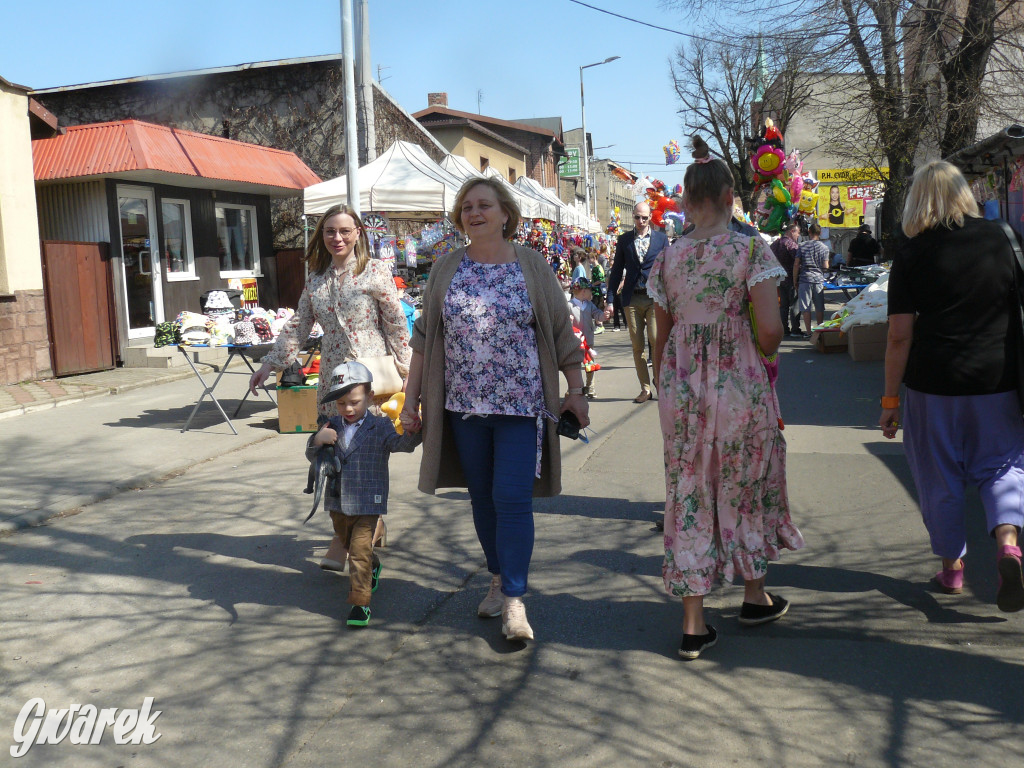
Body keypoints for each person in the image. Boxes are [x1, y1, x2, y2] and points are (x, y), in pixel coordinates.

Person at [401, 177, 588, 643]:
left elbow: (561, 331)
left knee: (511, 498)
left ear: (506, 214)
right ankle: (496, 576)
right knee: (481, 499)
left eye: (484, 205)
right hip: (463, 407)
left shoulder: (532, 265)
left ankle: (514, 601)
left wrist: (576, 389)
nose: (474, 213)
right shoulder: (446, 268)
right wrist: (410, 402)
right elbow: (423, 341)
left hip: (522, 406)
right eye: (466, 207)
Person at [650, 136, 804, 660]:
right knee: (743, 481)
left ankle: (693, 622)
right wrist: (755, 353)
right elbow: (770, 329)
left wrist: (668, 381)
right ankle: (754, 594)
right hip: (739, 384)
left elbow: (660, 338)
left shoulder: (668, 259)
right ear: (730, 196)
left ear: (688, 202)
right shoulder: (749, 250)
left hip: (681, 388)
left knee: (689, 490)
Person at [880, 159, 1024, 612]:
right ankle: (1007, 543)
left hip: (932, 384)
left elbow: (899, 335)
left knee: (938, 476)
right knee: (1001, 467)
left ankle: (953, 568)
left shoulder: (912, 252)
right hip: (997, 379)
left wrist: (889, 399)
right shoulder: (1004, 238)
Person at [249, 204, 410, 571]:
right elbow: (298, 325)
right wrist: (270, 364)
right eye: (329, 231)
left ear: (358, 234)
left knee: (365, 457)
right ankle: (353, 529)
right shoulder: (317, 277)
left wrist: (410, 373)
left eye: (344, 231)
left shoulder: (375, 272)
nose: (337, 238)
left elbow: (397, 326)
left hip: (370, 380)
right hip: (333, 381)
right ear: (321, 236)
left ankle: (352, 534)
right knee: (333, 456)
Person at [306, 362, 421, 627]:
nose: (347, 409)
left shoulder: (380, 427)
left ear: (370, 397)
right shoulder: (330, 424)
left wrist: (416, 430)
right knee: (350, 545)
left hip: (369, 502)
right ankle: (374, 564)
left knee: (358, 553)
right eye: (341, 403)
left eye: (354, 402)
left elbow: (401, 444)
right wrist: (316, 440)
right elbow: (313, 456)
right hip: (337, 503)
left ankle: (360, 604)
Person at [606, 201, 669, 402]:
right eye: (637, 217)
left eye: (644, 217)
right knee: (637, 346)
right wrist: (609, 300)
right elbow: (616, 271)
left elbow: (668, 268)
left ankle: (659, 381)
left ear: (650, 217)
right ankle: (645, 388)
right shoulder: (624, 239)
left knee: (656, 340)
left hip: (654, 298)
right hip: (631, 298)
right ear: (632, 217)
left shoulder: (661, 239)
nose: (640, 221)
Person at [569, 276, 605, 399]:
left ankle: (590, 388)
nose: (592, 293)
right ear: (583, 291)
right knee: (574, 366)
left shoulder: (590, 305)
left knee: (590, 365)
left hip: (588, 341)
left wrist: (604, 315)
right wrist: (568, 320)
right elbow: (562, 321)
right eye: (590, 290)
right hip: (574, 343)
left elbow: (598, 315)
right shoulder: (569, 306)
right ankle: (576, 388)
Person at [794, 220, 830, 336]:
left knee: (806, 306)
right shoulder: (824, 248)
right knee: (819, 306)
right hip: (818, 279)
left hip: (805, 278)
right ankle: (820, 328)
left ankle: (808, 331)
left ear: (809, 232)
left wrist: (795, 279)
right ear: (819, 233)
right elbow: (825, 266)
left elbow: (796, 264)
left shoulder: (802, 246)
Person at [770, 222, 801, 336]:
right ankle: (795, 329)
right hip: (791, 278)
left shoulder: (775, 244)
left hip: (778, 278)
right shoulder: (791, 245)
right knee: (794, 304)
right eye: (797, 233)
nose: (798, 236)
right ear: (792, 231)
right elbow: (798, 261)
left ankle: (784, 329)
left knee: (783, 306)